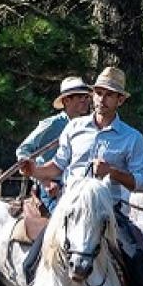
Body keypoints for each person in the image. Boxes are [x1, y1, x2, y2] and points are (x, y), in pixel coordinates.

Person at [17, 66, 143, 286]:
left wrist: (112, 172)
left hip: (108, 213)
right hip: (69, 213)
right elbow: (58, 166)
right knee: (29, 262)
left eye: (110, 94)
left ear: (121, 100)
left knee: (136, 257)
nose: (102, 99)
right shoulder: (74, 129)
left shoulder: (132, 138)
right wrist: (34, 170)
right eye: (98, 92)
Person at [15, 76, 92, 214]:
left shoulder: (89, 127)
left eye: (87, 97)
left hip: (78, 186)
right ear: (67, 100)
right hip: (51, 188)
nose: (86, 100)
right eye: (80, 97)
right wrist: (44, 181)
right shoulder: (52, 124)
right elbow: (23, 150)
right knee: (64, 220)